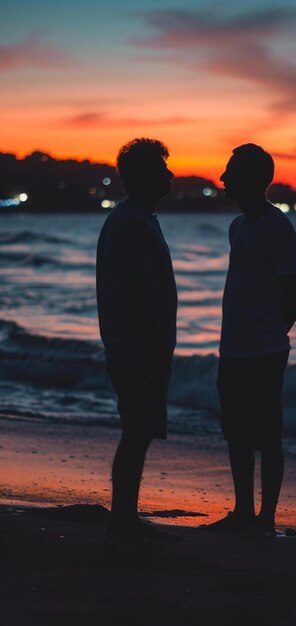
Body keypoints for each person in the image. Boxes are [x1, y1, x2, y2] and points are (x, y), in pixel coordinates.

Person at [208, 144, 296, 536]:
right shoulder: (237, 227)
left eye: (229, 171)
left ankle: (266, 518)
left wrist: (269, 334)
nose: (222, 178)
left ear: (249, 178)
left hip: (264, 350)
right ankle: (243, 511)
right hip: (232, 348)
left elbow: (293, 297)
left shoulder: (277, 227)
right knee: (236, 431)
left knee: (267, 433)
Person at [96, 138, 178, 547]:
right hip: (136, 349)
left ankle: (125, 518)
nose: (171, 174)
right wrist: (153, 347)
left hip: (137, 346)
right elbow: (132, 292)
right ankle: (122, 522)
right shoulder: (130, 222)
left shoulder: (136, 219)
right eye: (163, 169)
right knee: (135, 432)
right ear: (146, 176)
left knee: (138, 431)